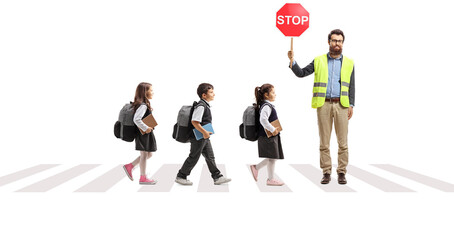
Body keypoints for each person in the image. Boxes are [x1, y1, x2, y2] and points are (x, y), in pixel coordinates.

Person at [288, 29, 355, 185]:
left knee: (343, 142)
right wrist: (293, 61)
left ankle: (341, 172)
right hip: (323, 104)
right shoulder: (318, 60)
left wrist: (351, 104)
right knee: (324, 142)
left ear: (343, 43)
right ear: (328, 42)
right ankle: (326, 171)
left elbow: (352, 86)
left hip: (342, 105)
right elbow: (302, 73)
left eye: (339, 41)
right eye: (334, 40)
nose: (337, 43)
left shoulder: (349, 63)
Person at [175, 83, 231, 185]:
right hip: (198, 136)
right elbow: (194, 121)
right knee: (194, 157)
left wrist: (205, 134)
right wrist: (204, 132)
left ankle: (217, 177)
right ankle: (181, 176)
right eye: (211, 92)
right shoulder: (201, 106)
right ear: (204, 95)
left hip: (203, 136)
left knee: (210, 157)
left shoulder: (205, 105)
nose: (214, 94)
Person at [250, 84, 285, 186]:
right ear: (266, 95)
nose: (275, 94)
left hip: (270, 135)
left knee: (273, 157)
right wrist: (273, 129)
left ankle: (260, 171)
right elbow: (263, 120)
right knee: (272, 157)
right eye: (273, 92)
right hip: (267, 136)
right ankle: (269, 178)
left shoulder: (266, 105)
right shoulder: (266, 106)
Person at [122, 82, 157, 185]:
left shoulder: (142, 104)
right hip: (143, 133)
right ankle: (143, 177)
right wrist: (146, 128)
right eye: (151, 90)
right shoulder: (143, 105)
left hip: (144, 132)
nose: (153, 92)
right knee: (144, 154)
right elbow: (136, 119)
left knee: (148, 154)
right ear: (145, 92)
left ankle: (130, 166)